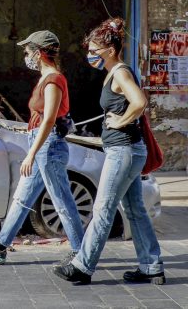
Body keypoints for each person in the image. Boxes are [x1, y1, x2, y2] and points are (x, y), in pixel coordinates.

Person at [53, 18, 165, 285]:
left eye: (94, 51)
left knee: (103, 208)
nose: (90, 56)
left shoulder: (121, 73)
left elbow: (139, 101)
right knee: (135, 209)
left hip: (123, 151)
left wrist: (122, 120)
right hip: (126, 150)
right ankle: (151, 266)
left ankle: (82, 265)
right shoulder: (115, 72)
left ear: (111, 50)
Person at [0, 30, 84, 265]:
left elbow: (50, 120)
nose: (25, 55)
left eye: (27, 50)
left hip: (48, 146)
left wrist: (31, 154)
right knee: (22, 199)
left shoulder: (54, 80)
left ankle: (81, 252)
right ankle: (0, 245)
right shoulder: (45, 79)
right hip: (40, 143)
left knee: (62, 200)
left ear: (40, 53)